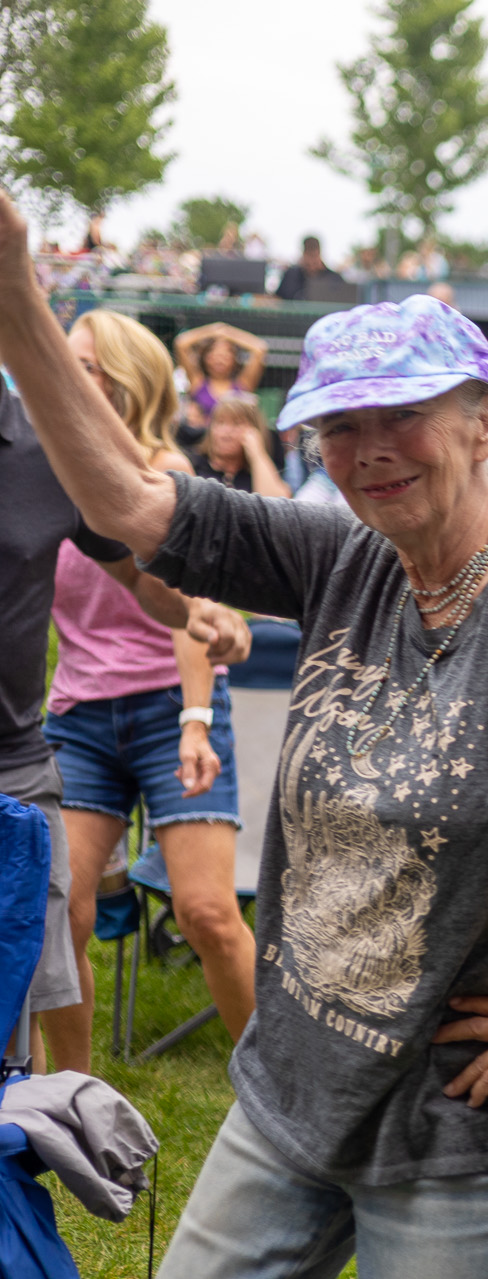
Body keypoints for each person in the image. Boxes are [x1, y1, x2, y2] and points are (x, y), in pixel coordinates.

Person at [0, 217, 488, 1279]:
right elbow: (128, 507)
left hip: (460, 1142)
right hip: (292, 1102)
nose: (369, 446)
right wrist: (12, 290)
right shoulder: (343, 557)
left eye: (402, 415)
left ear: (484, 424)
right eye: (341, 425)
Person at [3, 341, 248, 1076]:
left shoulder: (112, 472)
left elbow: (160, 590)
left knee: (205, 910)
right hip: (78, 715)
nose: (63, 369)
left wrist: (196, 707)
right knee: (63, 915)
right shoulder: (62, 459)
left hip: (157, 711)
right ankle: (67, 1099)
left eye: (85, 362)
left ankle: (283, 1098)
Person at [173, 320, 268, 430]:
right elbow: (181, 343)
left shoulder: (243, 385)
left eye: (225, 356)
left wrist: (227, 332)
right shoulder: (198, 383)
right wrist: (213, 330)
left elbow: (260, 349)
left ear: (234, 360)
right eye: (214, 356)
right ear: (205, 358)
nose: (219, 361)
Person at [193, 396, 292, 497]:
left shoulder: (259, 472)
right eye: (220, 422)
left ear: (254, 431)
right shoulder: (195, 465)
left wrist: (257, 454)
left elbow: (274, 504)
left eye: (236, 424)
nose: (225, 433)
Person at [275, 236, 346, 302]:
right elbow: (278, 298)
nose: (311, 265)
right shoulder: (291, 276)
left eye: (314, 259)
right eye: (308, 263)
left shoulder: (334, 279)